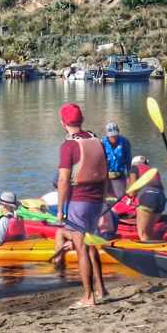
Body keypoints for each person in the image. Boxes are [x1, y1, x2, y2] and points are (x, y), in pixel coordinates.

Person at [56, 103, 109, 307]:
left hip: (78, 202)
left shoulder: (68, 146)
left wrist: (60, 210)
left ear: (63, 123)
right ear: (82, 120)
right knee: (91, 243)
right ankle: (102, 289)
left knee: (81, 249)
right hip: (96, 201)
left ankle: (88, 297)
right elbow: (105, 174)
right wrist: (103, 200)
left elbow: (63, 180)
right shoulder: (97, 141)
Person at [127, 155, 166, 241]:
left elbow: (131, 192)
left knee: (143, 234)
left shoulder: (134, 168)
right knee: (150, 231)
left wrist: (128, 196)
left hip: (148, 198)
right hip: (161, 198)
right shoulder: (153, 170)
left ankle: (152, 253)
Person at [101, 122, 132, 198]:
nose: (113, 138)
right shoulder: (102, 143)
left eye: (115, 136)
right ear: (107, 135)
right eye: (111, 136)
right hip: (106, 176)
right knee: (106, 199)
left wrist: (129, 176)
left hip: (119, 175)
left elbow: (128, 160)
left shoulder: (124, 142)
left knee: (120, 198)